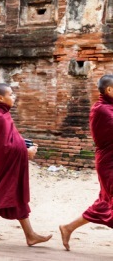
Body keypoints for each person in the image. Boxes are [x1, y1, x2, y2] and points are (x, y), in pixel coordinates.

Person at [0, 83, 51, 246]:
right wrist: (25, 152)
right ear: (0, 98)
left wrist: (23, 146)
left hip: (6, 164)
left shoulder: (2, 114)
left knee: (17, 196)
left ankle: (30, 235)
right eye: (11, 94)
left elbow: (11, 140)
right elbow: (3, 147)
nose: (14, 97)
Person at [60, 75, 113, 250]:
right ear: (109, 90)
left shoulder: (109, 107)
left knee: (104, 203)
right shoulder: (101, 110)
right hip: (109, 164)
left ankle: (68, 227)